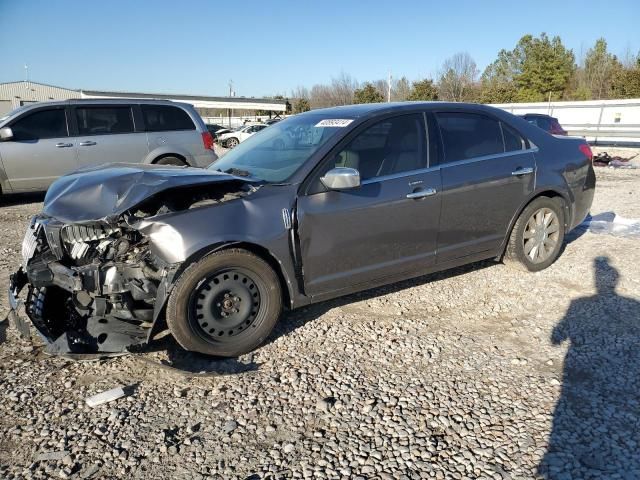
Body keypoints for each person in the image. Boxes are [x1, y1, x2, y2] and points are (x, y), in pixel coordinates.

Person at [539, 257, 640, 478]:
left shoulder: (580, 303)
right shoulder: (632, 305)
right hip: (614, 381)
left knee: (565, 411)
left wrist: (558, 335)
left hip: (581, 368)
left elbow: (557, 336)